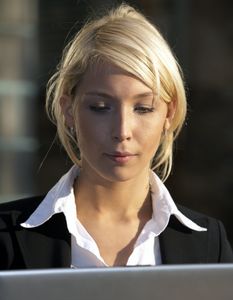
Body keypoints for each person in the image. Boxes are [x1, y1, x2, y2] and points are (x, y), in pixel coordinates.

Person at [0, 4, 232, 270]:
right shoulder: (7, 235)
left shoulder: (208, 245)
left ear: (169, 114)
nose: (122, 131)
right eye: (100, 108)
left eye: (143, 108)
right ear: (68, 110)